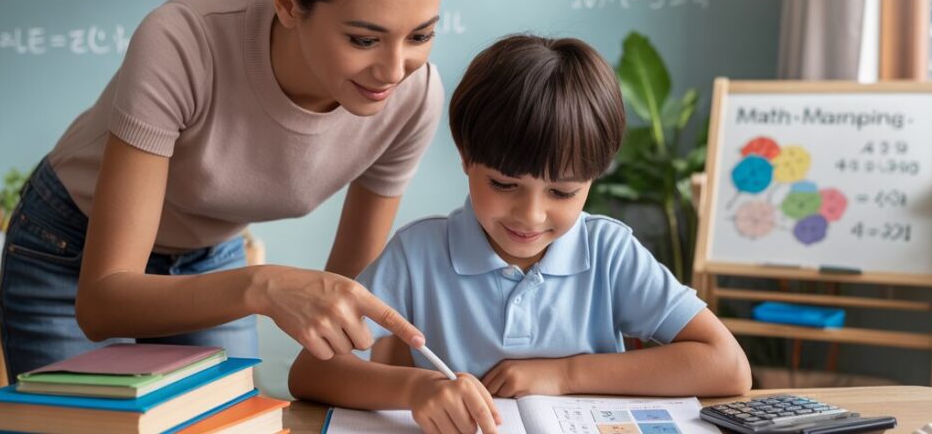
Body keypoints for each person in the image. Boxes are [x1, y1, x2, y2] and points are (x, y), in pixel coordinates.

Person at [0, 0, 448, 381]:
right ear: (287, 2)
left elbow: (346, 313)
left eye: (420, 36)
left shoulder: (413, 99)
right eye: (364, 40)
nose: (393, 70)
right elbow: (101, 304)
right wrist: (265, 287)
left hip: (210, 255)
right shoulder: (183, 40)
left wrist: (420, 386)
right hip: (69, 244)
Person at [289, 35, 753, 434]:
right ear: (466, 158)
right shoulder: (417, 255)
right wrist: (416, 387)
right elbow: (309, 372)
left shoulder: (610, 252)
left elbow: (728, 368)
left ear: (594, 178)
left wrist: (564, 375)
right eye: (504, 184)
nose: (531, 216)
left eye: (563, 191)